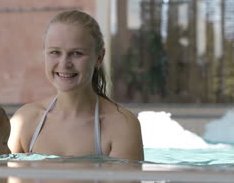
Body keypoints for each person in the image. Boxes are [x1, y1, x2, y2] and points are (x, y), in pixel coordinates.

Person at [8, 10, 144, 161]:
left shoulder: (120, 125)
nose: (64, 64)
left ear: (99, 57)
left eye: (77, 53)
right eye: (55, 52)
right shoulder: (26, 120)